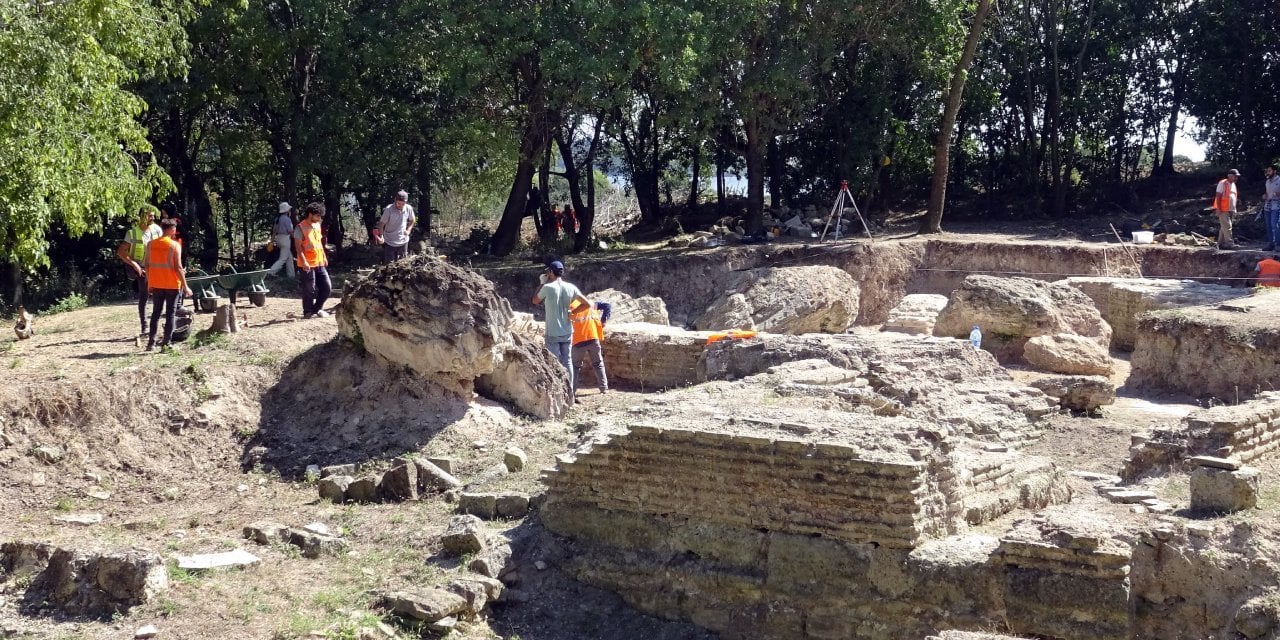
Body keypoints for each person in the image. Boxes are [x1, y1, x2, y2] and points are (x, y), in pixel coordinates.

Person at [532, 260, 591, 398]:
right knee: (567, 360)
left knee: (554, 361)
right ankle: (570, 391)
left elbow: (535, 300)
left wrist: (541, 283)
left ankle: (558, 392)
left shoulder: (548, 288)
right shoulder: (571, 287)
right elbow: (587, 304)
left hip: (553, 332)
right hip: (567, 330)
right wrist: (573, 312)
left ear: (551, 272)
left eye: (548, 272)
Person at [144, 219, 192, 352]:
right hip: (172, 285)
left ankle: (151, 343)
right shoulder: (175, 246)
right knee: (170, 314)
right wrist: (186, 286)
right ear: (171, 229)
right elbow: (178, 268)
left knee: (156, 313)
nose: (175, 231)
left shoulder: (151, 244)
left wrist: (149, 282)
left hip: (157, 284)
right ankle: (166, 344)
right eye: (174, 228)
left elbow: (147, 265)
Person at [117, 205, 162, 343]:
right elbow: (121, 252)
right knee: (144, 295)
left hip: (155, 268)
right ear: (142, 216)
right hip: (141, 269)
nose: (153, 218)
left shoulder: (157, 230)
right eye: (150, 215)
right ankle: (145, 326)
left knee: (158, 295)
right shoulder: (132, 233)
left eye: (153, 215)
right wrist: (135, 265)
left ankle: (155, 326)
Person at [294, 202, 332, 319]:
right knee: (309, 289)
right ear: (310, 214)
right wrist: (304, 261)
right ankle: (307, 312)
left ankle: (317, 308)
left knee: (327, 287)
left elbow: (319, 243)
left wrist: (324, 256)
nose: (319, 218)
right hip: (307, 264)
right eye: (317, 216)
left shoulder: (317, 225)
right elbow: (298, 247)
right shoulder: (300, 228)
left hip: (319, 262)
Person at [569, 298, 612, 398]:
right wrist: (603, 320)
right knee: (598, 363)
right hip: (593, 337)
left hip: (578, 340)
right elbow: (607, 306)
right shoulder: (592, 303)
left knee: (575, 367)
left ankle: (572, 391)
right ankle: (604, 388)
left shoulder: (569, 306)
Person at [374, 190, 415, 263]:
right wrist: (381, 236)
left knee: (403, 265)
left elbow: (412, 220)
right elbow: (381, 224)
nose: (400, 206)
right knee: (389, 266)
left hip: (403, 241)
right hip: (390, 242)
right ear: (395, 200)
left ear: (406, 202)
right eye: (399, 203)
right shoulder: (389, 209)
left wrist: (408, 230)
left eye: (403, 204)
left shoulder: (408, 208)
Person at [1212, 169, 1240, 249]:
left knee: (1224, 227)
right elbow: (1218, 196)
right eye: (1235, 176)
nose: (1236, 178)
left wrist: (1234, 208)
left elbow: (1234, 197)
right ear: (1230, 176)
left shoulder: (1233, 185)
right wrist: (1219, 208)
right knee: (1228, 226)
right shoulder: (1222, 183)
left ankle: (1220, 243)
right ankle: (1230, 243)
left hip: (1231, 209)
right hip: (1223, 209)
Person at [267, 202, 296, 277]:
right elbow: (290, 232)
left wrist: (272, 241)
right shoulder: (287, 219)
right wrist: (298, 239)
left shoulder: (278, 219)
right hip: (285, 239)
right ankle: (271, 272)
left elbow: (274, 232)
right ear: (286, 210)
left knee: (289, 258)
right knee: (283, 258)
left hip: (278, 239)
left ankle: (291, 276)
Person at [1264, 165, 1280, 251]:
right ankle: (1271, 244)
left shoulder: (1279, 180)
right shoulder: (1267, 181)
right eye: (1267, 171)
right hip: (1267, 205)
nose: (1268, 172)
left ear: (1274, 171)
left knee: (1275, 224)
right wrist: (1265, 196)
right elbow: (1267, 193)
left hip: (1277, 205)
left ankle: (1278, 244)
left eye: (1269, 171)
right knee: (1268, 225)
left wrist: (1278, 194)